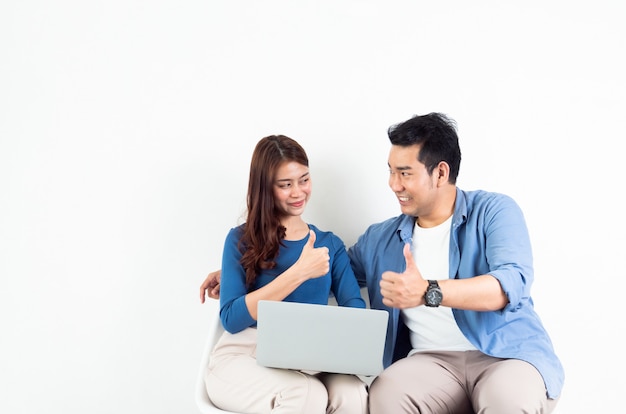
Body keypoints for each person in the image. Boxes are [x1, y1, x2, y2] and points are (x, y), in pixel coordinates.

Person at [201, 113, 565, 413]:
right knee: (385, 396)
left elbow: (508, 285)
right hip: (429, 362)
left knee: (507, 401)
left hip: (501, 353)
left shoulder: (494, 212)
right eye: (391, 171)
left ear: (440, 173)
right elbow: (332, 266)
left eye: (404, 173)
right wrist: (243, 266)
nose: (393, 184)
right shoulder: (381, 239)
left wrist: (428, 292)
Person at [203, 135, 369, 414]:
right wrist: (299, 273)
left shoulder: (329, 245)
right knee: (306, 394)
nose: (298, 192)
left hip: (309, 359)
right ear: (265, 188)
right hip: (245, 355)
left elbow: (355, 314)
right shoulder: (240, 240)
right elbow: (231, 319)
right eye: (285, 185)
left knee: (352, 393)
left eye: (304, 179)